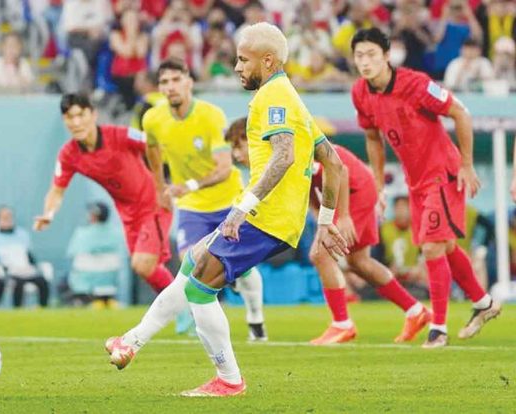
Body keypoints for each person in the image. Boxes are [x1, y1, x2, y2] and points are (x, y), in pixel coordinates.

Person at [105, 22, 348, 397]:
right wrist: (327, 222)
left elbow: (283, 156)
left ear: (267, 61)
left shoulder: (275, 97)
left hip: (265, 217)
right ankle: (131, 341)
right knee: (192, 265)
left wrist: (241, 210)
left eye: (242, 59)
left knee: (202, 287)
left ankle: (229, 380)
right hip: (270, 216)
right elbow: (333, 162)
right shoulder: (287, 95)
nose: (236, 67)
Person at [351, 27, 501, 348]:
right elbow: (372, 137)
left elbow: (460, 112)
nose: (365, 62)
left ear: (387, 56)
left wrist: (466, 164)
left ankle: (439, 329)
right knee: (443, 247)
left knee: (432, 247)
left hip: (444, 174)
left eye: (371, 55)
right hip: (416, 180)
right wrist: (378, 181)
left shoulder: (415, 84)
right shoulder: (360, 94)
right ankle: (483, 303)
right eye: (359, 56)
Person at [225, 117, 431, 345]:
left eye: (237, 146)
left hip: (354, 190)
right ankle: (415, 311)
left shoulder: (286, 145)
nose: (235, 155)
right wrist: (318, 212)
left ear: (250, 138)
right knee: (359, 262)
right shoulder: (273, 154)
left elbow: (338, 170)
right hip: (355, 189)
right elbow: (312, 186)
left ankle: (342, 324)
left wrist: (343, 216)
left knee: (319, 254)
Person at [143, 58, 267, 341]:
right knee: (192, 264)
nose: (170, 87)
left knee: (245, 271)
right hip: (192, 207)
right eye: (164, 82)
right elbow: (152, 149)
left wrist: (188, 184)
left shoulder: (211, 115)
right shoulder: (153, 118)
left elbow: (224, 168)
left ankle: (256, 321)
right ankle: (202, 330)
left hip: (228, 202)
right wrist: (160, 187)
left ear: (189, 82)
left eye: (176, 80)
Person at [34, 93, 174, 294]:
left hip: (154, 204)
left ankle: (185, 306)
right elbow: (56, 191)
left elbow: (154, 145)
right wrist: (49, 214)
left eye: (81, 115)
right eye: (69, 117)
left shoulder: (119, 135)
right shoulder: (69, 155)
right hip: (128, 215)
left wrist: (162, 186)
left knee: (142, 264)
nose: (76, 122)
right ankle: (183, 303)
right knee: (147, 269)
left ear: (93, 115)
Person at [0, 206, 50, 308]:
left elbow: (29, 255)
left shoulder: (22, 234)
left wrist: (33, 266)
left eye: (9, 217)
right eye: (4, 217)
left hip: (25, 268)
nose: (8, 220)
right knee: (19, 284)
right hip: (9, 271)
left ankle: (43, 309)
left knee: (42, 282)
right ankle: (18, 310)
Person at [66, 202, 125, 309]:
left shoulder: (81, 233)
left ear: (94, 216)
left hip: (84, 280)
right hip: (109, 279)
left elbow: (72, 253)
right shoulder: (117, 233)